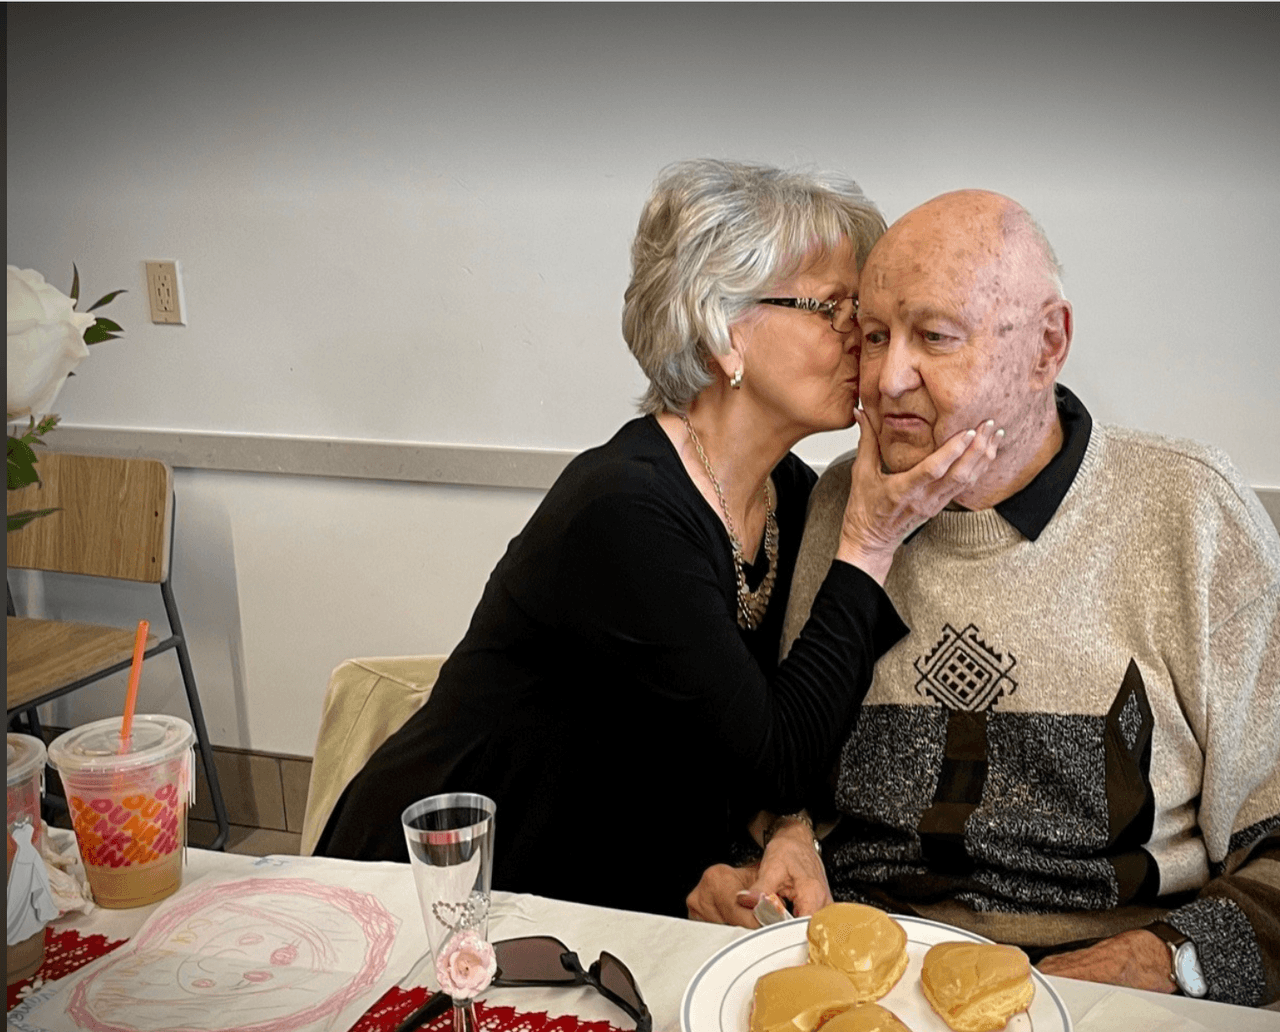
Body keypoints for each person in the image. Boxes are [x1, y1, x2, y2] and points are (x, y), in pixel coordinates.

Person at [316, 161, 1000, 917]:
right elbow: (776, 760)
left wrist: (788, 832)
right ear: (722, 332)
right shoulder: (624, 510)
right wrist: (868, 544)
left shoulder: (789, 493)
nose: (862, 345)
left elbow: (790, 723)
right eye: (832, 309)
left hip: (586, 880)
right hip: (432, 887)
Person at [686, 189, 1280, 1007]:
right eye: (873, 336)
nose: (887, 378)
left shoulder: (1191, 512)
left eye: (934, 337)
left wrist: (1157, 963)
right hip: (870, 976)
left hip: (1103, 984)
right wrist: (779, 843)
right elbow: (788, 777)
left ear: (1047, 346)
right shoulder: (837, 507)